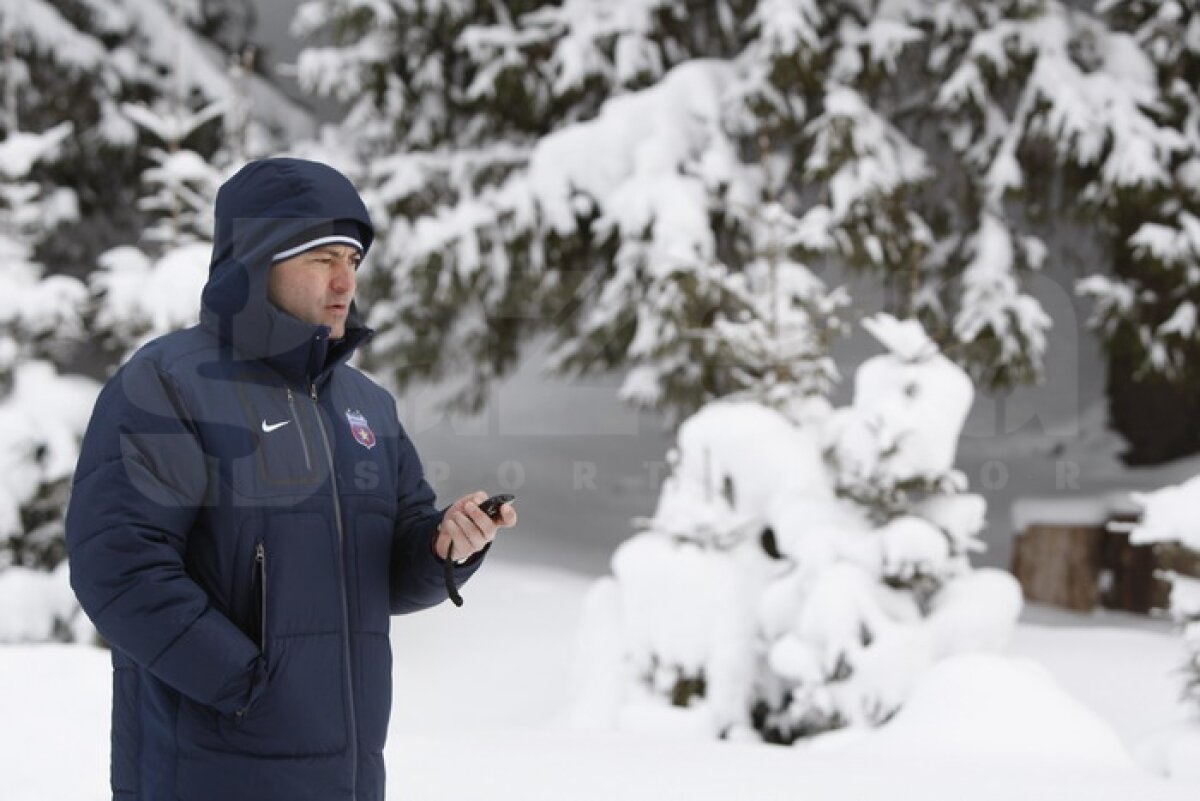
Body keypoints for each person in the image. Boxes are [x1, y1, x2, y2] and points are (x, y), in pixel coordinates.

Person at [65, 157, 517, 801]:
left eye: (353, 262)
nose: (344, 282)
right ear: (258, 262)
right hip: (206, 770)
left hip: (347, 773)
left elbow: (385, 568)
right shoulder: (169, 383)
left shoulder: (365, 404)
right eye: (320, 259)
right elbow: (118, 566)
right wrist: (248, 685)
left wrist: (449, 545)